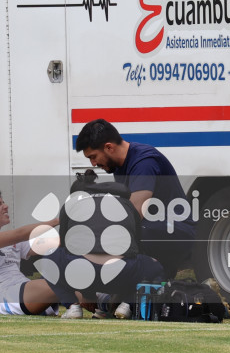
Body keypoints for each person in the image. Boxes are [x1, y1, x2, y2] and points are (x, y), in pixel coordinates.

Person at [75, 119, 195, 278]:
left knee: (125, 233)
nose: (93, 163)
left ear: (109, 147)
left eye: (93, 156)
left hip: (176, 231)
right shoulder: (119, 165)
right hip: (153, 227)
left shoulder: (143, 162)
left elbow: (134, 212)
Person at [44, 169, 165, 319]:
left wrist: (87, 294)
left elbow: (64, 246)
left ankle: (73, 307)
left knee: (48, 260)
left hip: (81, 271)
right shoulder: (126, 203)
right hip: (122, 272)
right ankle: (127, 304)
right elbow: (137, 247)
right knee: (155, 267)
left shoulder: (70, 204)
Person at [0, 185, 59, 316]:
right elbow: (19, 234)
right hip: (2, 296)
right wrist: (56, 221)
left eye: (3, 202)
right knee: (63, 284)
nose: (5, 206)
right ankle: (86, 302)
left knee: (70, 269)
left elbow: (50, 244)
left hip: (23, 290)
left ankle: (93, 303)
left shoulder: (8, 241)